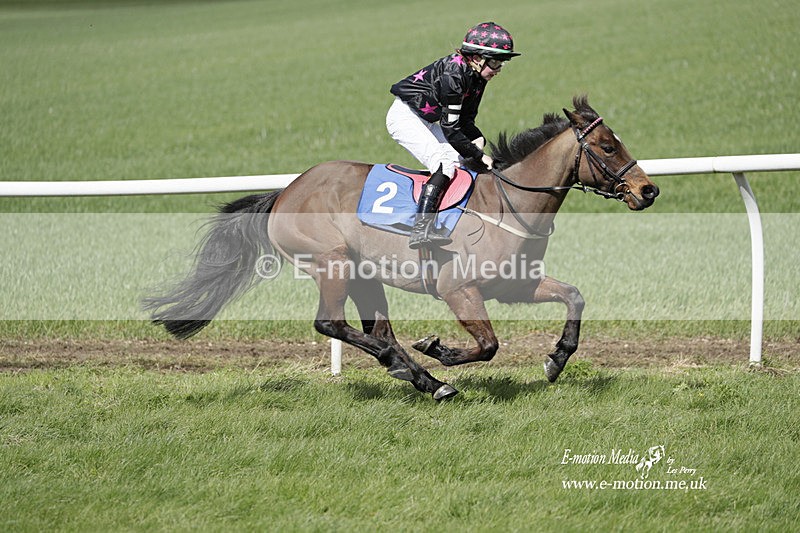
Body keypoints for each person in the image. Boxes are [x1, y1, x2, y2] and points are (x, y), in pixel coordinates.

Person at [387, 21, 521, 249]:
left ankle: (454, 217)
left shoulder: (477, 77)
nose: (499, 69)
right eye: (496, 62)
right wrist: (479, 156)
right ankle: (421, 229)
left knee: (460, 159)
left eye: (502, 63)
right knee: (443, 164)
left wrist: (478, 140)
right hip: (405, 118)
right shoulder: (454, 74)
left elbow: (466, 120)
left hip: (427, 119)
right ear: (478, 58)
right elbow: (451, 128)